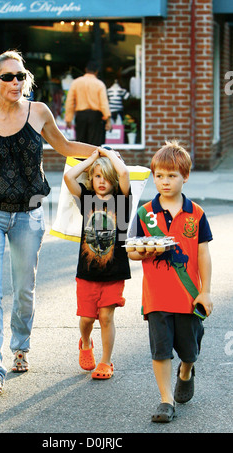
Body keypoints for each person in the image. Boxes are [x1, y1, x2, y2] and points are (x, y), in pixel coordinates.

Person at [0, 50, 100, 395]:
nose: (16, 82)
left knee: (25, 290)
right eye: (8, 77)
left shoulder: (39, 112)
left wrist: (102, 151)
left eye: (20, 76)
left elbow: (63, 146)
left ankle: (20, 346)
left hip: (29, 212)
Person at [128, 140, 213, 422]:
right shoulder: (144, 214)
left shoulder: (196, 214)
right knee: (160, 349)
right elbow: (131, 249)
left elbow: (203, 254)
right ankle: (166, 401)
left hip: (188, 298)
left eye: (172, 175)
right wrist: (140, 251)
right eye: (159, 175)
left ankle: (186, 370)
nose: (164, 182)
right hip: (157, 297)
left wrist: (206, 292)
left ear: (185, 176)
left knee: (190, 350)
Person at [64, 147, 131, 379]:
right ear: (91, 179)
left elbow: (124, 175)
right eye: (97, 176)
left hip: (114, 272)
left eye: (106, 176)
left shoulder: (122, 202)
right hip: (87, 273)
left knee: (106, 317)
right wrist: (93, 159)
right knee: (86, 319)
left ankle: (106, 361)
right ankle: (85, 342)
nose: (102, 181)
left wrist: (110, 155)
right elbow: (69, 177)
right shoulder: (87, 200)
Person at [64, 61, 111, 146]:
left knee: (80, 144)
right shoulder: (99, 84)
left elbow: (70, 102)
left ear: (86, 69)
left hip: (81, 116)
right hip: (95, 117)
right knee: (94, 145)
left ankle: (80, 159)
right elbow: (104, 104)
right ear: (97, 71)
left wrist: (68, 118)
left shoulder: (76, 82)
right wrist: (108, 120)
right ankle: (93, 159)